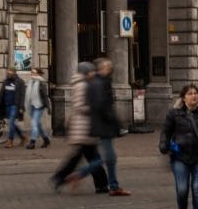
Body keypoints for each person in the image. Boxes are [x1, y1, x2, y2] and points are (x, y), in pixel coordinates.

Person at [50, 62, 105, 191]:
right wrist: (93, 108)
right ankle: (101, 185)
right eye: (91, 71)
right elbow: (80, 106)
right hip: (84, 127)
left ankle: (101, 184)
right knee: (92, 157)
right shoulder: (82, 85)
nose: (93, 73)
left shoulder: (82, 84)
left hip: (83, 126)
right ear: (86, 72)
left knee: (86, 156)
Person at [89, 57, 128, 195]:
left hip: (103, 125)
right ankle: (79, 174)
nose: (110, 69)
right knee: (109, 158)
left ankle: (113, 185)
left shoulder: (101, 82)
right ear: (101, 69)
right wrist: (114, 121)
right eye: (107, 67)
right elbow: (103, 106)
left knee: (109, 158)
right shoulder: (99, 83)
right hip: (104, 125)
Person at [23, 69, 50, 150]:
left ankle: (32, 142)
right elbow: (28, 95)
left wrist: (48, 107)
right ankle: (46, 139)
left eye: (34, 73)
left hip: (39, 106)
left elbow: (45, 96)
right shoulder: (30, 82)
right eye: (31, 72)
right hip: (32, 105)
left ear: (38, 74)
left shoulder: (42, 83)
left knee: (34, 123)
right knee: (38, 125)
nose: (32, 74)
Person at [0, 68, 23, 147]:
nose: (8, 75)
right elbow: (1, 93)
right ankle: (22, 137)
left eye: (10, 73)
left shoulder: (20, 82)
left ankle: (10, 141)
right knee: (11, 123)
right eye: (7, 73)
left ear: (14, 73)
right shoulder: (6, 81)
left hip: (15, 105)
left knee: (11, 122)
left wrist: (21, 107)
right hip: (7, 105)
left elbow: (22, 95)